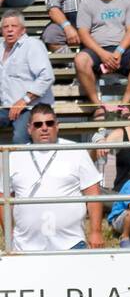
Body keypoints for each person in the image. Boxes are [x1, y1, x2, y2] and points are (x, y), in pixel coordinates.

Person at [0, 103, 103, 252]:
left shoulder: (76, 152)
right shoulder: (13, 157)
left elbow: (93, 194)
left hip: (71, 244)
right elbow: (3, 198)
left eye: (49, 123)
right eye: (38, 124)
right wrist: (8, 234)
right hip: (25, 247)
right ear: (29, 128)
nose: (44, 128)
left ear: (57, 126)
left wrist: (96, 232)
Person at [1, 7, 55, 143]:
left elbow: (47, 76)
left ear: (23, 29)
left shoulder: (33, 45)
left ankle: (21, 164)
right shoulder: (0, 47)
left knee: (20, 138)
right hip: (5, 107)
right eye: (5, 26)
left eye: (14, 26)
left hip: (31, 107)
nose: (9, 29)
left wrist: (23, 101)